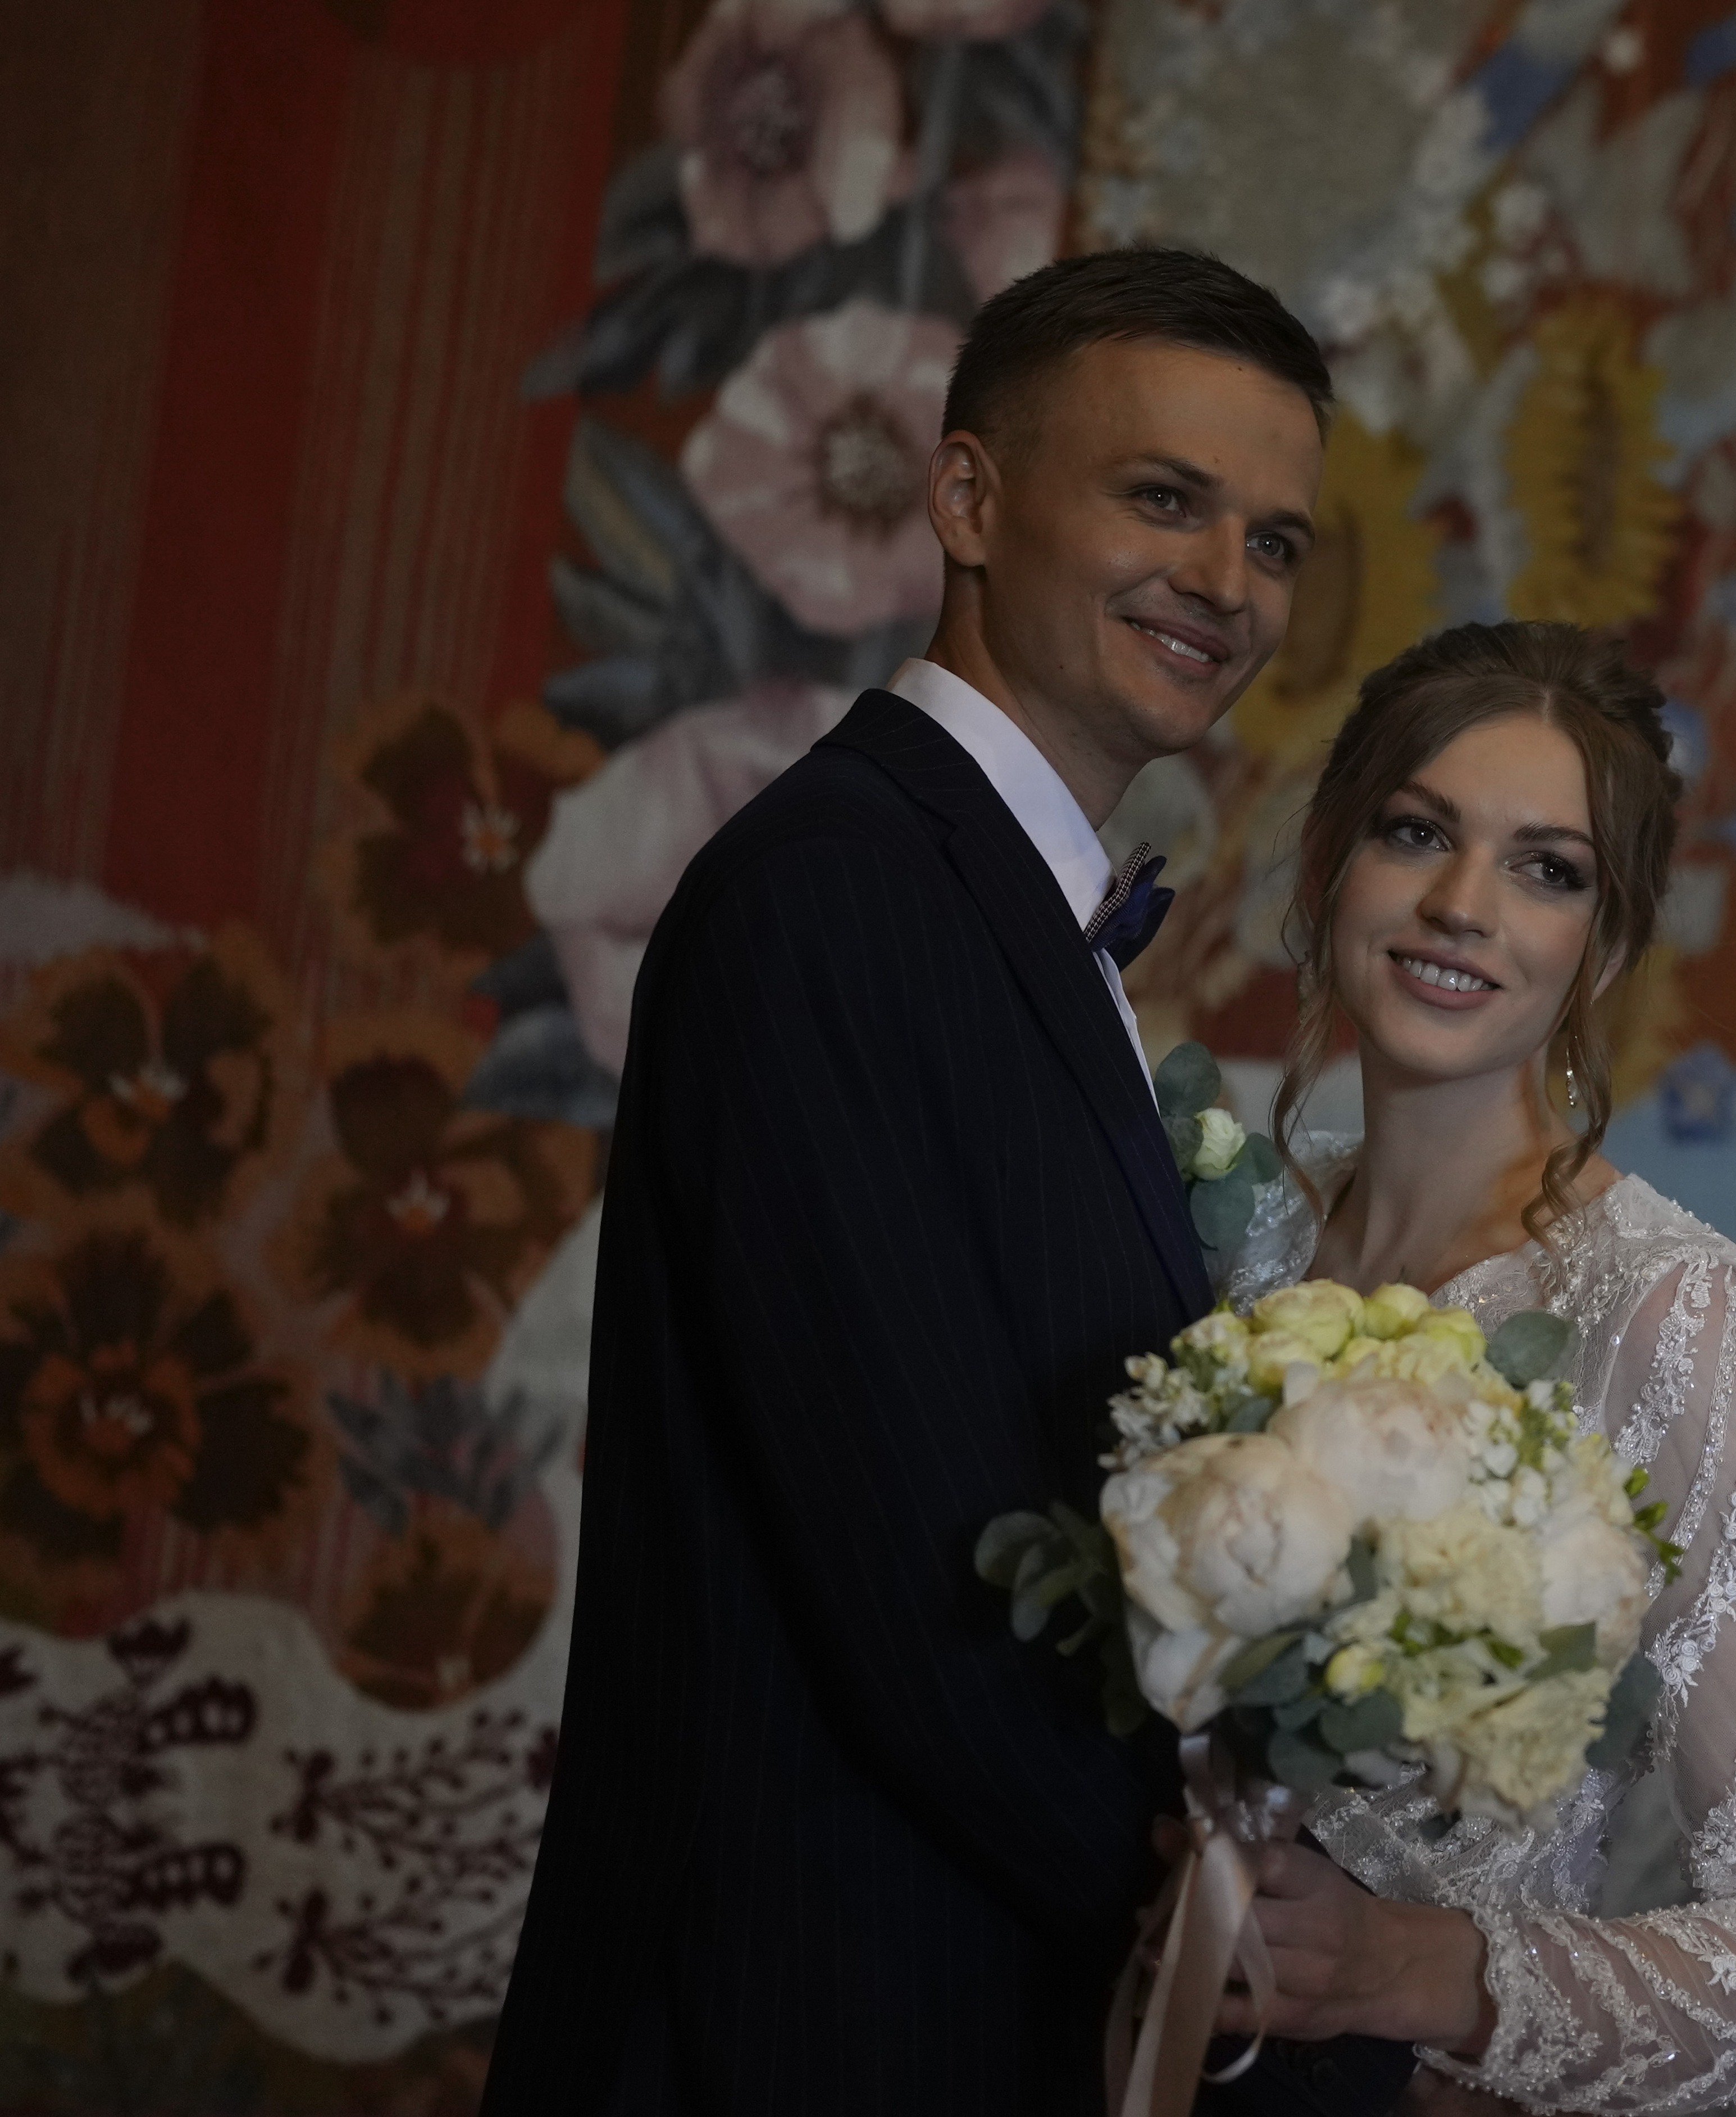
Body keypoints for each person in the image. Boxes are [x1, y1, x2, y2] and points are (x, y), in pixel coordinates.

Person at [488, 249, 1414, 2115]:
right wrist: (1254, 1997)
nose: (1226, 582)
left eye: (1273, 541)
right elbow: (923, 1588)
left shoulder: (988, 902)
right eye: (1164, 498)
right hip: (800, 2024)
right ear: (968, 498)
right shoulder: (840, 893)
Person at [1213, 622, 1736, 2113]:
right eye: (1415, 832)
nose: (1462, 906)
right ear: (1327, 859)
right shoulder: (1237, 1243)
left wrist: (1405, 1967)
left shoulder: (1659, 1307)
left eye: (1547, 869)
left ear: (1607, 947)